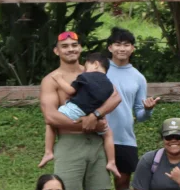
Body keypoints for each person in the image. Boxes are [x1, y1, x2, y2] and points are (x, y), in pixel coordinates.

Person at [39, 31, 122, 190]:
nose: (71, 49)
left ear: (81, 48)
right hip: (70, 145)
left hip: (96, 147)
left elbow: (115, 97)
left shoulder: (95, 73)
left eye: (75, 45)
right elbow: (51, 117)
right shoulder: (52, 80)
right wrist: (88, 124)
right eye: (65, 46)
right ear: (57, 51)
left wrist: (95, 114)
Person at [40, 52, 120, 181]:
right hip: (94, 114)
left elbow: (71, 91)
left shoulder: (85, 76)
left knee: (51, 123)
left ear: (95, 64)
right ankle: (111, 162)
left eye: (86, 66)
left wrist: (59, 79)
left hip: (75, 110)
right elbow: (111, 100)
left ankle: (48, 152)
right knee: (108, 134)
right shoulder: (109, 85)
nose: (85, 69)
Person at [104, 27, 159, 190]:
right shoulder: (100, 70)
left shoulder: (138, 77)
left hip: (125, 139)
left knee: (122, 187)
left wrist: (148, 109)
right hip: (98, 136)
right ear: (110, 48)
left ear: (132, 48)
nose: (122, 48)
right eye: (117, 44)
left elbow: (140, 115)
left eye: (126, 44)